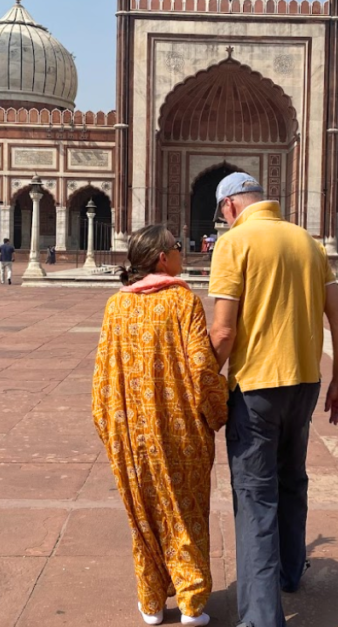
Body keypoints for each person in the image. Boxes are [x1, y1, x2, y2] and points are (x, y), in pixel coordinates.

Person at [208, 172, 338, 627]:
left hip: (256, 390)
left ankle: (261, 617)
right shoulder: (308, 242)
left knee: (255, 498)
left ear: (230, 207)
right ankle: (290, 572)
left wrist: (204, 381)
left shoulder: (235, 244)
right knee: (292, 480)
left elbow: (225, 331)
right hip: (305, 384)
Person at [92, 224, 229, 627]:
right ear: (162, 258)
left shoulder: (116, 306)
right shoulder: (181, 301)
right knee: (183, 513)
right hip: (178, 429)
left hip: (129, 430)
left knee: (144, 515)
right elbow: (203, 367)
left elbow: (101, 378)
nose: (182, 252)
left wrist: (109, 427)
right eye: (176, 247)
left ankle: (151, 603)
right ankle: (191, 604)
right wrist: (220, 412)